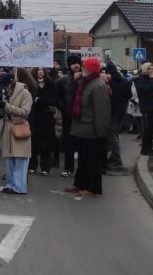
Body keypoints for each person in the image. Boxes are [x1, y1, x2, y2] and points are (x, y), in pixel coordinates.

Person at [66, 57, 110, 197]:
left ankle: (94, 188)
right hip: (82, 129)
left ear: (90, 69)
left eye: (84, 67)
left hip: (91, 130)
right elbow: (70, 94)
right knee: (83, 160)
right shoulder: (84, 82)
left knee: (92, 161)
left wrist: (101, 132)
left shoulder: (98, 85)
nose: (81, 69)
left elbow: (102, 111)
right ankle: (80, 184)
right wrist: (73, 80)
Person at [0, 68, 36, 194]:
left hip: (20, 127)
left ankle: (19, 187)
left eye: (5, 85)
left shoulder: (25, 93)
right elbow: (5, 112)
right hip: (8, 127)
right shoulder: (6, 93)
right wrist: (0, 107)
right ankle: (10, 184)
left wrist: (6, 106)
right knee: (10, 159)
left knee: (20, 159)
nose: (4, 88)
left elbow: (26, 112)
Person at [29, 68, 57, 176]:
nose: (40, 72)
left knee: (46, 144)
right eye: (38, 70)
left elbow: (54, 100)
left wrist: (40, 100)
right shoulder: (31, 83)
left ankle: (46, 167)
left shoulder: (50, 84)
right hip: (34, 117)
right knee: (33, 144)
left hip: (46, 118)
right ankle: (32, 166)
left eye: (42, 70)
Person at [105, 63, 131, 172]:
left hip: (111, 111)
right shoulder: (124, 81)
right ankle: (113, 157)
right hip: (121, 111)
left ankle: (116, 158)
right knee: (116, 134)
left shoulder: (109, 82)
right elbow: (129, 95)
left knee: (112, 135)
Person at [134, 62, 153, 156]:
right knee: (148, 128)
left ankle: (147, 148)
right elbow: (145, 89)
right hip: (147, 108)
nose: (151, 71)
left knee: (152, 128)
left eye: (152, 69)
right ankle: (146, 149)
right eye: (149, 69)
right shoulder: (140, 79)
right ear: (145, 69)